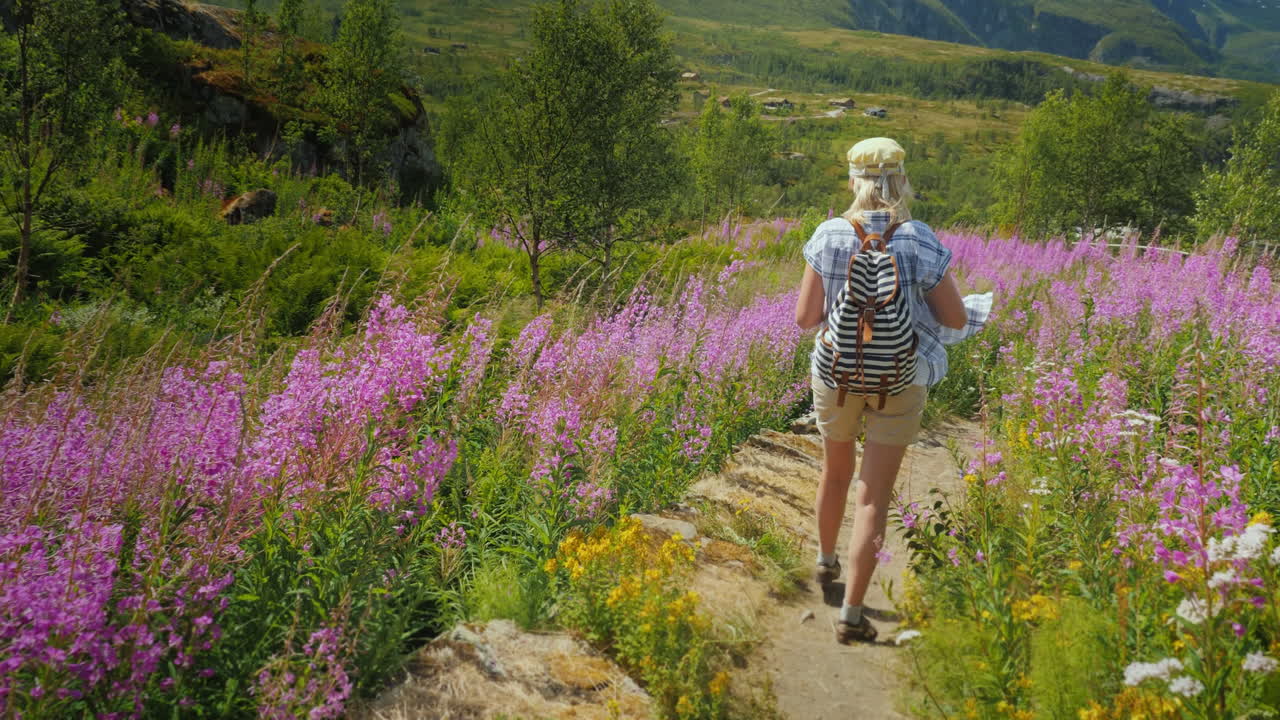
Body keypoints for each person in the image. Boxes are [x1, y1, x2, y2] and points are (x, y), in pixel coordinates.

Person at [793, 137, 983, 644]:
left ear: (853, 179)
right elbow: (957, 318)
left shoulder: (830, 233)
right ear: (901, 180)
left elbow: (806, 319)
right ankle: (853, 615)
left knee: (835, 474)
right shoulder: (918, 237)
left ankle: (825, 561)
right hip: (899, 378)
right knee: (873, 495)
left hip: (835, 375)